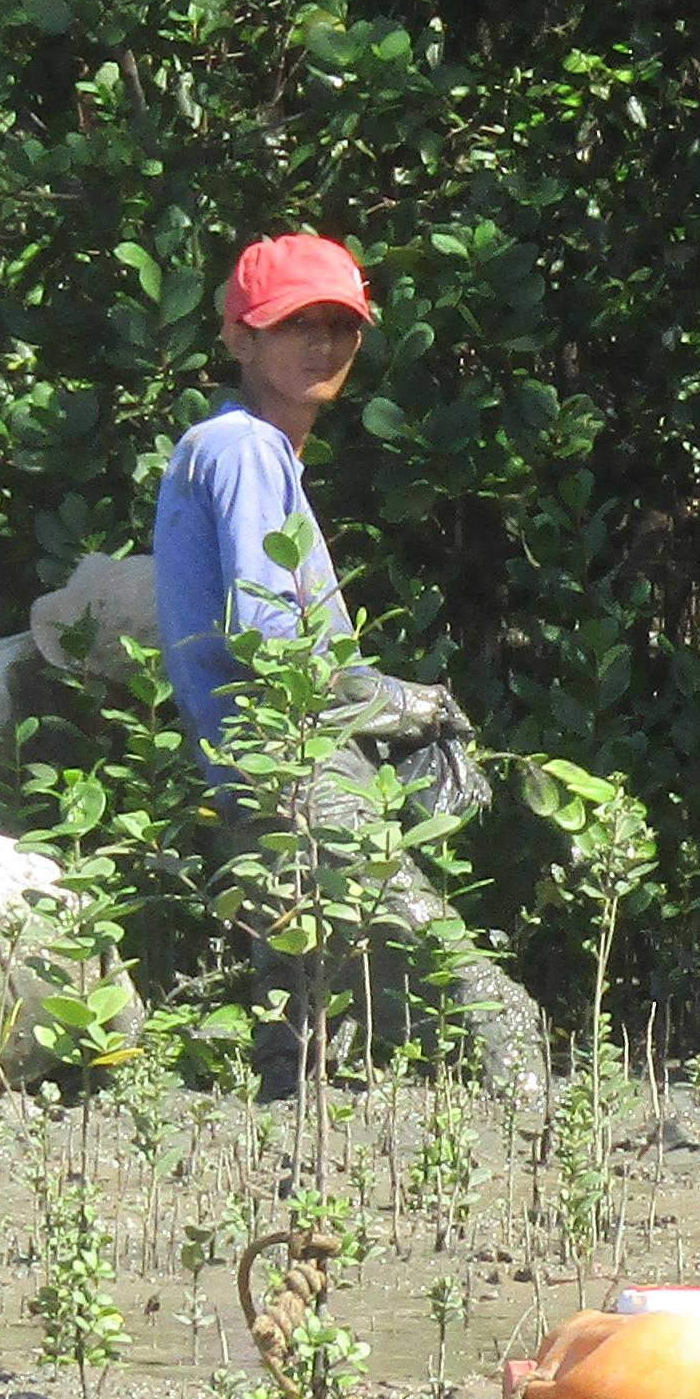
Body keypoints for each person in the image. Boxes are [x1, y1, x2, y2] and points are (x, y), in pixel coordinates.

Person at [149, 232, 543, 1090]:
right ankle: (546, 1157)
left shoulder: (238, 452)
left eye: (342, 326)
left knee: (303, 1039)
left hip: (256, 774)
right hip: (295, 766)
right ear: (239, 338)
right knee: (482, 1004)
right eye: (296, 325)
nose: (323, 345)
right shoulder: (244, 449)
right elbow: (276, 653)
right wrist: (417, 706)